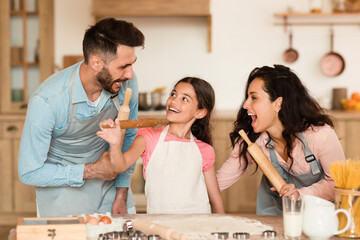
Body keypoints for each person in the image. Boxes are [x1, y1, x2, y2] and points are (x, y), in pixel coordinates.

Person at [18, 18, 145, 217]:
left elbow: (128, 137)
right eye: (123, 66)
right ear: (96, 62)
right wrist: (93, 170)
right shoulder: (47, 101)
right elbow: (29, 172)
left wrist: (121, 192)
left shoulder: (126, 83)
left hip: (112, 192)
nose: (130, 74)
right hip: (63, 197)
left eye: (132, 64)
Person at [216, 65, 345, 215]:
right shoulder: (253, 141)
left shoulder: (319, 135)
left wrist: (300, 194)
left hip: (316, 215)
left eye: (254, 98)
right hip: (273, 214)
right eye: (247, 97)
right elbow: (219, 181)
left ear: (277, 104)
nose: (245, 105)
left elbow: (338, 183)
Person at [97, 77, 225, 214]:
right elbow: (119, 166)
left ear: (200, 112)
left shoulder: (204, 150)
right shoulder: (149, 137)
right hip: (160, 224)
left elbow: (217, 202)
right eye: (173, 94)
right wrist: (115, 144)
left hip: (198, 225)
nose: (174, 101)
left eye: (184, 99)